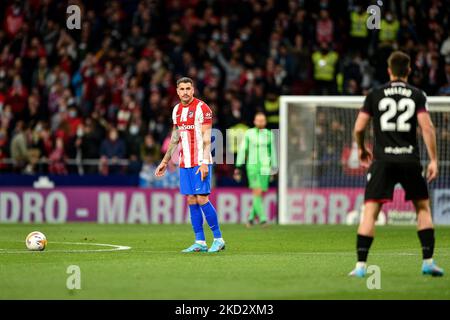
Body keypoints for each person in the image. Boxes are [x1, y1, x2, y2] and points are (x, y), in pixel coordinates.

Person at [349, 51, 444, 277]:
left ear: (389, 70)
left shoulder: (375, 94)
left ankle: (361, 267)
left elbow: (359, 127)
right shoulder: (417, 94)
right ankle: (428, 261)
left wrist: (362, 148)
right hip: (409, 159)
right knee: (422, 208)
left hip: (382, 161)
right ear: (409, 70)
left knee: (370, 212)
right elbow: (427, 128)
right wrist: (433, 159)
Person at [154, 77, 225, 253]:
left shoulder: (203, 108)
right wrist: (165, 161)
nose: (185, 92)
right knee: (191, 199)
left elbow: (207, 138)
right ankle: (200, 241)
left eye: (188, 88)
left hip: (201, 161)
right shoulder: (176, 110)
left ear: (193, 90)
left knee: (202, 198)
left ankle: (218, 238)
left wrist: (203, 163)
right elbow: (175, 138)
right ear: (177, 91)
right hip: (184, 162)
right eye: (182, 89)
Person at [235, 112, 277, 227]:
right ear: (254, 121)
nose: (260, 122)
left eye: (262, 120)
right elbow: (243, 150)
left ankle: (250, 218)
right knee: (257, 191)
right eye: (258, 120)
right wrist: (238, 166)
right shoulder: (249, 133)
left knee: (260, 193)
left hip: (265, 167)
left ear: (265, 122)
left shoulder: (269, 134)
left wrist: (274, 166)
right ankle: (263, 219)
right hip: (252, 167)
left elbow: (272, 151)